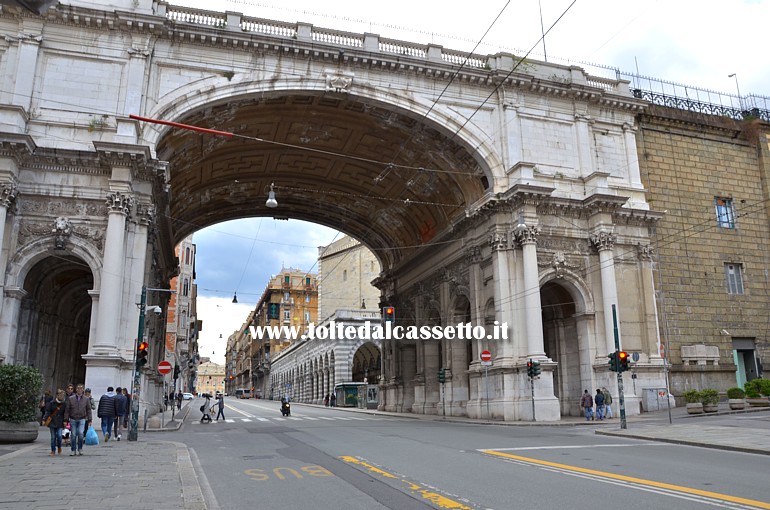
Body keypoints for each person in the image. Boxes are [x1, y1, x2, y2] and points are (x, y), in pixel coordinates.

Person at [64, 384, 92, 456]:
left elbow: (89, 410)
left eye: (81, 389)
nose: (79, 390)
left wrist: (90, 419)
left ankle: (80, 448)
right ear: (76, 390)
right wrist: (66, 419)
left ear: (83, 390)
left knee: (80, 433)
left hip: (82, 418)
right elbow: (67, 410)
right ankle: (73, 449)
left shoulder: (86, 399)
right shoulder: (71, 398)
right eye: (78, 388)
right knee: (73, 435)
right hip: (73, 418)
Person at [43, 389, 66, 457]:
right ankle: (53, 450)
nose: (62, 396)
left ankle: (59, 446)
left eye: (63, 395)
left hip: (60, 422)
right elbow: (48, 412)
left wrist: (66, 421)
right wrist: (44, 419)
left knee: (59, 436)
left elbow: (66, 413)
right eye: (60, 395)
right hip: (52, 421)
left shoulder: (64, 404)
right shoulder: (51, 403)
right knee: (53, 437)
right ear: (57, 395)